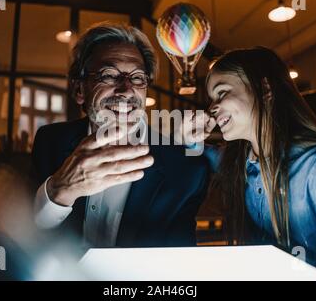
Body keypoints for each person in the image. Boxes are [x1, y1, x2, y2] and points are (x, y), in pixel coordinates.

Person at [181, 46, 316, 280]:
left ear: (265, 89)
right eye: (212, 99)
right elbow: (197, 154)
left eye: (221, 93)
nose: (211, 108)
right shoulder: (237, 163)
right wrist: (190, 139)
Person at [32, 22, 209, 249]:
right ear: (79, 90)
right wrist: (60, 190)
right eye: (109, 75)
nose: (126, 89)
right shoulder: (50, 141)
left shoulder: (186, 169)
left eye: (137, 78)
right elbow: (28, 235)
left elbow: (176, 268)